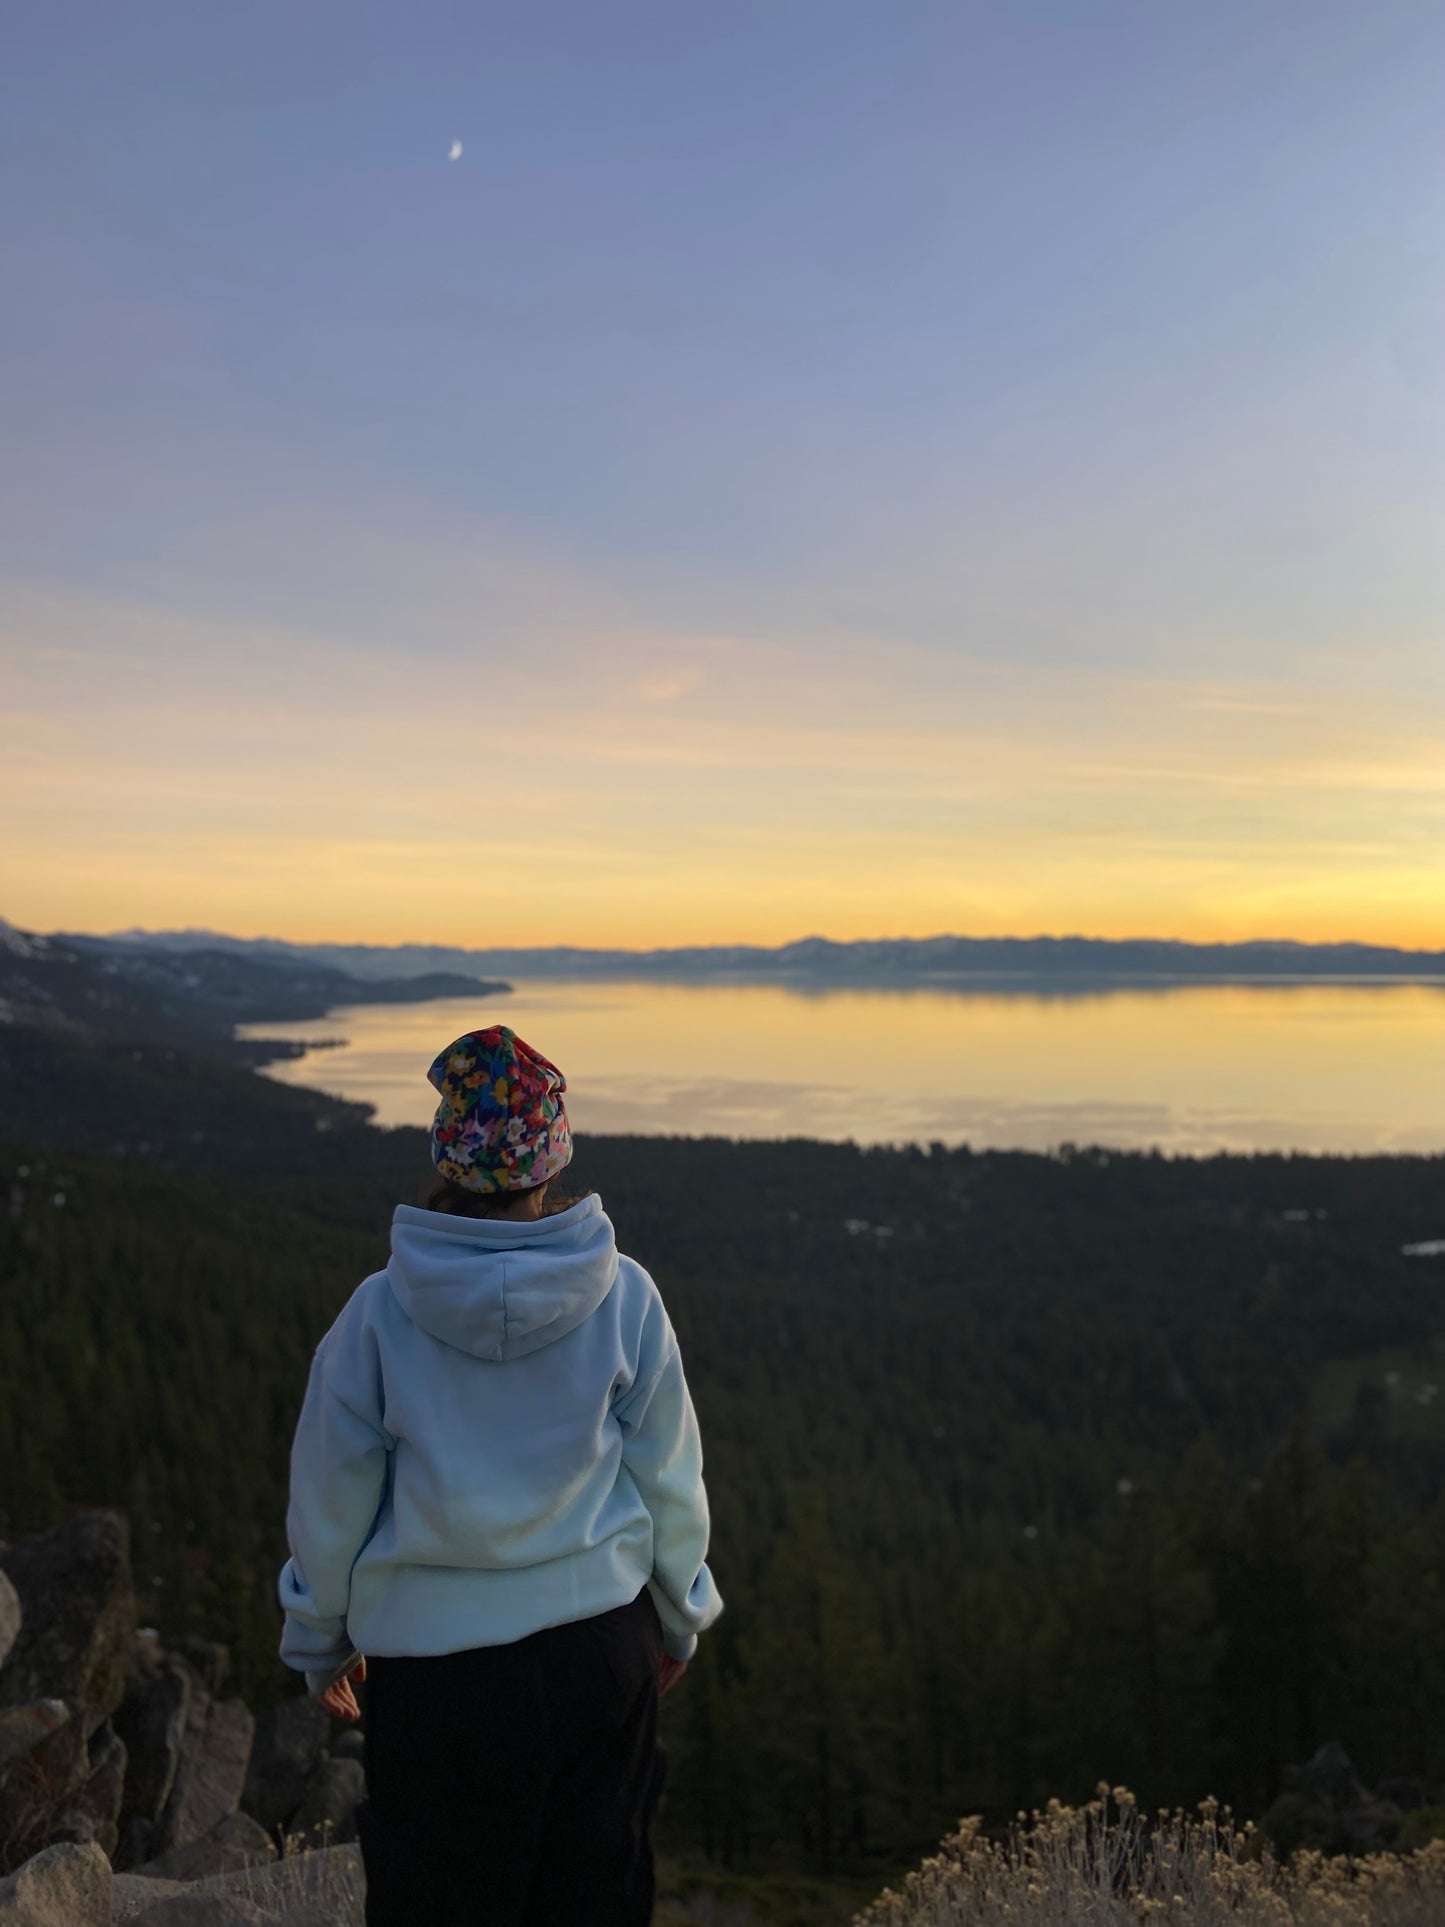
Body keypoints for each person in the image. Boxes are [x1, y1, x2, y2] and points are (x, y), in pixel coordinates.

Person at [276, 1024, 723, 1926]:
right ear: (550, 1156)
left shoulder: (378, 1314)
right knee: (595, 1898)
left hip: (437, 1679)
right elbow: (670, 1475)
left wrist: (318, 1636)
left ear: (449, 1154)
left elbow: (331, 1497)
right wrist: (680, 1615)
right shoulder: (624, 1293)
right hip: (602, 1648)